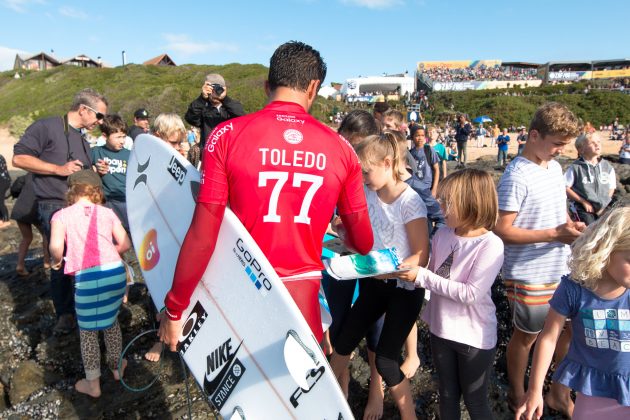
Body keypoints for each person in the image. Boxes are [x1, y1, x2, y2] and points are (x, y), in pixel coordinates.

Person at [158, 41, 373, 352]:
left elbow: (204, 234)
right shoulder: (342, 150)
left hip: (242, 291)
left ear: (266, 85)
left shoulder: (226, 136)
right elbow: (363, 243)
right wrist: (341, 230)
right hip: (302, 299)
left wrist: (175, 307)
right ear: (313, 87)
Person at [330, 133, 429, 420]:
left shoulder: (410, 202)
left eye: (366, 171)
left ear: (388, 163)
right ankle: (326, 400)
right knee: (344, 342)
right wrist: (344, 235)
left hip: (404, 288)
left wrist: (384, 270)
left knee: (386, 359)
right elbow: (365, 240)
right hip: (375, 283)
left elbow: (421, 256)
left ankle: (408, 414)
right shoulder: (368, 195)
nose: (362, 177)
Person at [494, 102, 584, 416]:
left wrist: (569, 229)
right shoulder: (516, 175)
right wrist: (554, 234)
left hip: (560, 267)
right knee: (528, 337)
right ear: (534, 135)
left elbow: (556, 215)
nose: (561, 150)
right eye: (557, 143)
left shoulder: (555, 168)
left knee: (569, 330)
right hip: (527, 273)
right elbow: (502, 229)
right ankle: (518, 392)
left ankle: (558, 391)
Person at [397, 168, 504, 420]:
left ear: (471, 204)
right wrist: (406, 272)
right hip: (441, 329)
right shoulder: (443, 234)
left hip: (473, 337)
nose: (439, 204)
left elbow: (471, 294)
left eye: (447, 201)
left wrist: (421, 276)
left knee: (475, 401)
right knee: (447, 393)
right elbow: (433, 275)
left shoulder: (490, 245)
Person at [516, 206, 630, 420]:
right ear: (606, 249)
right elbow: (549, 338)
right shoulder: (574, 289)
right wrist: (534, 390)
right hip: (592, 395)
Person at [13, 88, 107, 335]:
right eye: (98, 116)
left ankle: (83, 308)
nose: (100, 122)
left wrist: (97, 172)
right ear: (83, 109)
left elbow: (79, 171)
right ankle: (65, 315)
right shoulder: (47, 126)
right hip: (54, 204)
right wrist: (58, 169)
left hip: (83, 206)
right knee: (63, 259)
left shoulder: (82, 139)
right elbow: (19, 159)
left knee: (85, 258)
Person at [48, 170, 131, 397]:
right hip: (115, 272)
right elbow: (124, 243)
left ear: (71, 190)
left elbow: (56, 247)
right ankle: (116, 368)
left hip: (87, 277)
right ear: (97, 191)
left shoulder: (61, 215)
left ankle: (93, 384)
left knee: (87, 332)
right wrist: (107, 254)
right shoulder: (107, 212)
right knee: (111, 322)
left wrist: (56, 262)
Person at [565, 132, 616, 225]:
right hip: (583, 208)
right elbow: (565, 187)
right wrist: (583, 201)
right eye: (592, 143)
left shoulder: (607, 167)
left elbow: (611, 187)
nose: (597, 144)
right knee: (589, 229)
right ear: (581, 149)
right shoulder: (576, 168)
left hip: (603, 206)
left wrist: (604, 204)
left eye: (598, 142)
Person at [91, 115, 131, 233]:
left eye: (124, 137)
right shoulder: (95, 152)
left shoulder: (131, 154)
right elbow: (86, 175)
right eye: (118, 137)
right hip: (106, 202)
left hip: (126, 201)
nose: (122, 141)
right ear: (104, 136)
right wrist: (96, 172)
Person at [184, 73, 245, 150]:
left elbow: (241, 117)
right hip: (208, 154)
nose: (214, 93)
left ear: (224, 89)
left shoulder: (231, 107)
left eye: (218, 89)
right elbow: (190, 118)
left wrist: (224, 98)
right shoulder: (203, 108)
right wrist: (202, 99)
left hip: (228, 152)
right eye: (211, 89)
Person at [10, 173, 51, 275]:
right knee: (46, 235)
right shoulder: (49, 176)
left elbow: (16, 186)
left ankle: (20, 265)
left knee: (27, 238)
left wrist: (15, 194)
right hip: (34, 210)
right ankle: (46, 262)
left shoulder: (29, 174)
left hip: (20, 209)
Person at [409, 126, 440, 197]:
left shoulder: (429, 150)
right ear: (412, 137)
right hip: (414, 189)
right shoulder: (410, 153)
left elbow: (437, 170)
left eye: (422, 135)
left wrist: (434, 189)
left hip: (427, 188)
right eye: (417, 135)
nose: (420, 138)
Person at [0, 154, 10, 229]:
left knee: (0, 202)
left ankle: (6, 221)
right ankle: (1, 220)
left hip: (3, 181)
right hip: (4, 180)